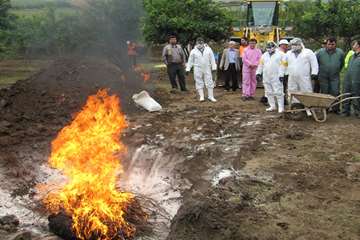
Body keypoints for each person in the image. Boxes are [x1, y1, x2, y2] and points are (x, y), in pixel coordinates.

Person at [280, 38, 319, 103]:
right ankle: (294, 105)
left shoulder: (308, 52)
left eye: (295, 45)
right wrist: (281, 74)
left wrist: (314, 73)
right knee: (292, 90)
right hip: (292, 77)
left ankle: (307, 105)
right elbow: (283, 65)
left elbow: (314, 63)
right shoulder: (288, 53)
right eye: (292, 45)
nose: (293, 46)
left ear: (300, 44)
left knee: (306, 90)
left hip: (304, 77)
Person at [316, 37, 345, 112]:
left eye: (333, 44)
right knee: (325, 92)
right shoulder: (320, 52)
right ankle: (325, 108)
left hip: (335, 76)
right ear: (326, 44)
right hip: (323, 76)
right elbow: (316, 64)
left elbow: (342, 63)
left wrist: (336, 70)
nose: (331, 46)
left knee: (335, 92)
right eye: (329, 44)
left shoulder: (340, 52)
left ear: (335, 44)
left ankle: (336, 109)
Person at [256, 42, 285, 113]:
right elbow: (261, 65)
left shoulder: (281, 54)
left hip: (276, 76)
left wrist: (282, 74)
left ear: (274, 47)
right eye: (268, 48)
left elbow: (284, 65)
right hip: (266, 76)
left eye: (271, 47)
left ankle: (281, 107)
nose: (269, 49)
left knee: (278, 92)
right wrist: (258, 73)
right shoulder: (264, 55)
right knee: (268, 92)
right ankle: (272, 106)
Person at [186, 38, 217, 102]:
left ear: (203, 42)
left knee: (209, 81)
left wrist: (214, 67)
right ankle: (201, 96)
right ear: (196, 43)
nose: (200, 44)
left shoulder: (208, 49)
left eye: (201, 42)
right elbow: (190, 61)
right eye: (198, 42)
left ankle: (211, 96)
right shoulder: (193, 51)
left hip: (207, 67)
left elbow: (212, 58)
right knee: (198, 81)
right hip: (197, 68)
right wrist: (188, 69)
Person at [342, 40, 360, 117]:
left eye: (354, 44)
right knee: (346, 95)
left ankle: (358, 112)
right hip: (348, 80)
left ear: (358, 45)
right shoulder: (352, 56)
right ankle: (345, 111)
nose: (352, 46)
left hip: (357, 80)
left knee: (357, 96)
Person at [278, 39, 290, 105]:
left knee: (284, 86)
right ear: (281, 45)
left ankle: (283, 100)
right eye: (284, 45)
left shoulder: (287, 53)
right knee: (279, 87)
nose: (285, 46)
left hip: (285, 72)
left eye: (286, 45)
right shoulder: (279, 53)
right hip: (279, 73)